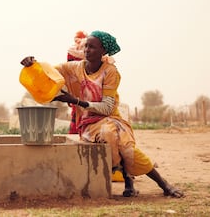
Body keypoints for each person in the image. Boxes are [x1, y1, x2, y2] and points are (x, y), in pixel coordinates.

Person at [20, 30, 184, 198]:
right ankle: (127, 177)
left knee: (125, 146)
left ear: (103, 51)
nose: (87, 50)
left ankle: (163, 184)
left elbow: (106, 108)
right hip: (88, 124)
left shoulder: (111, 73)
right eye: (86, 46)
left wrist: (76, 101)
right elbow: (49, 73)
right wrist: (32, 64)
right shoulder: (74, 68)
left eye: (92, 47)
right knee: (113, 136)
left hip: (110, 118)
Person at [66, 31, 87, 134]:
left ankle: (76, 133)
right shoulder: (90, 51)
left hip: (76, 87)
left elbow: (69, 72)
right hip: (87, 87)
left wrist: (70, 91)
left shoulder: (71, 51)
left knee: (77, 113)